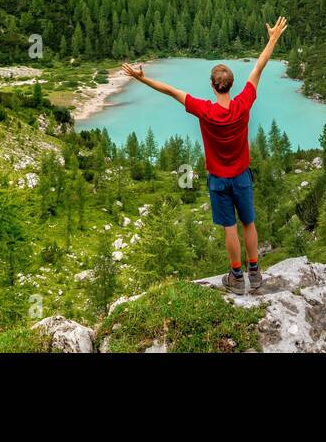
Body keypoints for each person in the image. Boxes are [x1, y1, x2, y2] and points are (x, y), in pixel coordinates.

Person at [121, 16, 288, 293]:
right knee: (248, 222)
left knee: (229, 228)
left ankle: (236, 276)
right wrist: (272, 38)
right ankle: (255, 273)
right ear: (231, 85)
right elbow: (259, 66)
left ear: (213, 86)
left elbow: (170, 91)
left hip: (219, 180)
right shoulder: (243, 103)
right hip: (242, 176)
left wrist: (142, 78)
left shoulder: (205, 110)